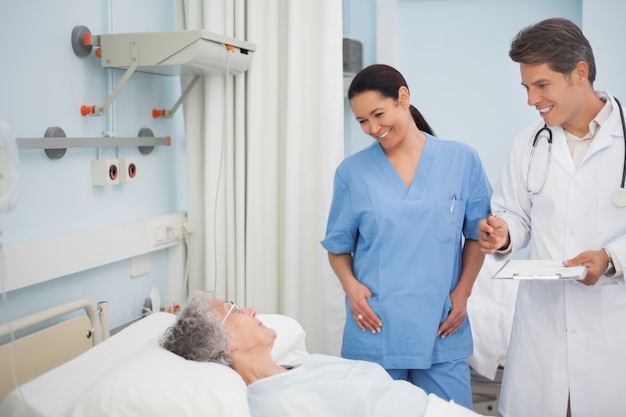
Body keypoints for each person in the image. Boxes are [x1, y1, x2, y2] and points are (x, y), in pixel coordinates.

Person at [320, 64, 492, 409]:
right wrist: (351, 289)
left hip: (442, 328)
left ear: (403, 98)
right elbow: (338, 247)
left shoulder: (461, 160)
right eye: (362, 121)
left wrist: (463, 293)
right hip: (376, 330)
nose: (373, 128)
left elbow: (477, 235)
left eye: (378, 114)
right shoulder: (352, 173)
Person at [477, 17, 626, 417]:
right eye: (527, 88)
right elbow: (514, 214)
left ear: (580, 73)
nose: (531, 100)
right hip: (541, 330)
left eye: (541, 86)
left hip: (611, 328)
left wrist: (611, 259)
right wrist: (503, 232)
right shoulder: (527, 143)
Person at [160, 291, 484, 417]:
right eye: (235, 311)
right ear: (225, 343)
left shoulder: (301, 363)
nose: (251, 309)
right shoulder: (276, 403)